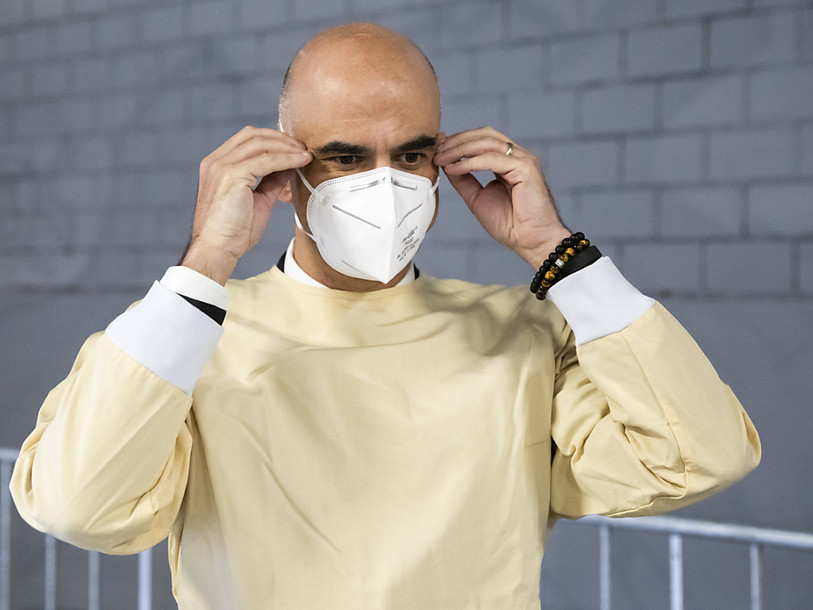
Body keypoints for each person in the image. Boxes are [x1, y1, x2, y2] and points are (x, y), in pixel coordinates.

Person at [10, 22, 760, 609]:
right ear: (283, 166)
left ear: (442, 160)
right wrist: (203, 263)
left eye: (411, 154)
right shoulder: (187, 339)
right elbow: (80, 507)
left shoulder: (521, 333)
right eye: (342, 156)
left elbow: (698, 454)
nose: (384, 184)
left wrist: (553, 250)